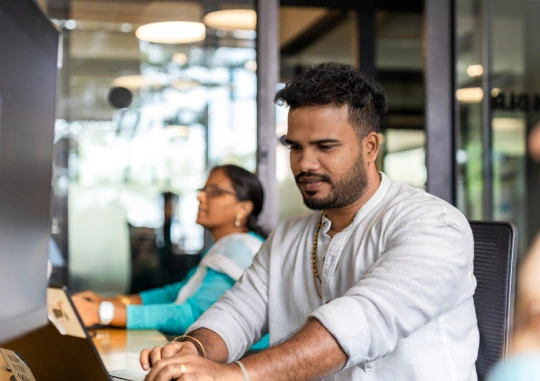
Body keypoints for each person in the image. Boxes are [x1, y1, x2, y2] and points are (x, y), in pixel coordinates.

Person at [139, 62, 479, 381]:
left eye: (325, 146)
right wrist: (194, 348)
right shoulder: (289, 235)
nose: (305, 163)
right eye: (295, 147)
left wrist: (235, 375)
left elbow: (359, 322)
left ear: (370, 146)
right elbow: (238, 312)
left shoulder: (434, 226)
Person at [73, 164, 267, 337]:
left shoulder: (239, 250)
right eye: (202, 190)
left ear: (243, 208)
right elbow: (176, 292)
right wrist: (113, 301)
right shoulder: (226, 246)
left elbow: (195, 315)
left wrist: (103, 312)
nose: (200, 196)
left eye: (214, 192)